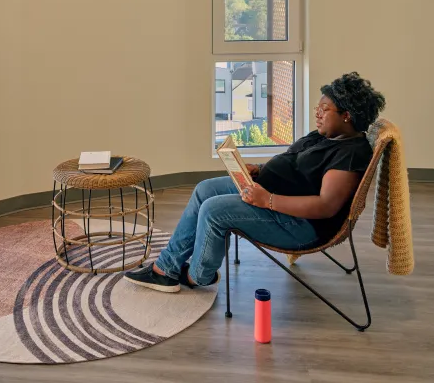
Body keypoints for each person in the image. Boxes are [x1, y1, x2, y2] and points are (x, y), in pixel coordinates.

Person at [125, 71, 386, 293]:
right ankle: (166, 268)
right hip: (272, 196)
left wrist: (268, 200)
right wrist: (258, 171)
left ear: (347, 116)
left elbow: (326, 206)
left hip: (299, 224)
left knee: (213, 210)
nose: (317, 113)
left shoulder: (350, 154)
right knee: (206, 189)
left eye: (324, 109)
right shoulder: (327, 135)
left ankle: (198, 275)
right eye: (318, 107)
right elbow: (296, 164)